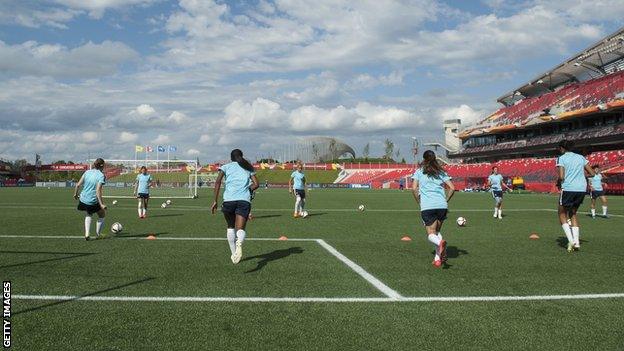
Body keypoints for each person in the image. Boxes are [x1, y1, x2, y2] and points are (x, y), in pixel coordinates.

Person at [211, 149, 259, 264]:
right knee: (240, 229)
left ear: (231, 158)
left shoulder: (226, 167)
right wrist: (248, 189)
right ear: (241, 156)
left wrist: (215, 201)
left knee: (230, 227)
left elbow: (217, 182)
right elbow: (256, 184)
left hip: (229, 200)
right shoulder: (248, 167)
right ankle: (239, 245)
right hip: (243, 200)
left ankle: (234, 254)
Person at [412, 150, 455, 268]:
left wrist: (419, 202)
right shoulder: (440, 172)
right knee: (436, 232)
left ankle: (440, 243)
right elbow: (452, 188)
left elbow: (414, 188)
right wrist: (445, 201)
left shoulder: (419, 171)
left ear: (424, 159)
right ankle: (437, 259)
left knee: (431, 234)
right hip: (442, 206)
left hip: (428, 206)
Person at [556, 140, 594, 252]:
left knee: (561, 213)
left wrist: (558, 182)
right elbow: (592, 173)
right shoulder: (581, 157)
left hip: (568, 188)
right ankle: (577, 242)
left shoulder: (561, 158)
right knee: (573, 213)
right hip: (581, 188)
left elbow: (562, 177)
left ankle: (571, 240)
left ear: (562, 148)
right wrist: (580, 177)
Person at [74, 158, 107, 240]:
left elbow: (77, 185)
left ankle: (87, 234)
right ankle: (98, 234)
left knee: (89, 214)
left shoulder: (87, 172)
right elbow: (98, 191)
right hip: (92, 200)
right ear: (102, 166)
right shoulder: (101, 175)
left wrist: (75, 194)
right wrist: (101, 204)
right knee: (102, 214)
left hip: (83, 199)